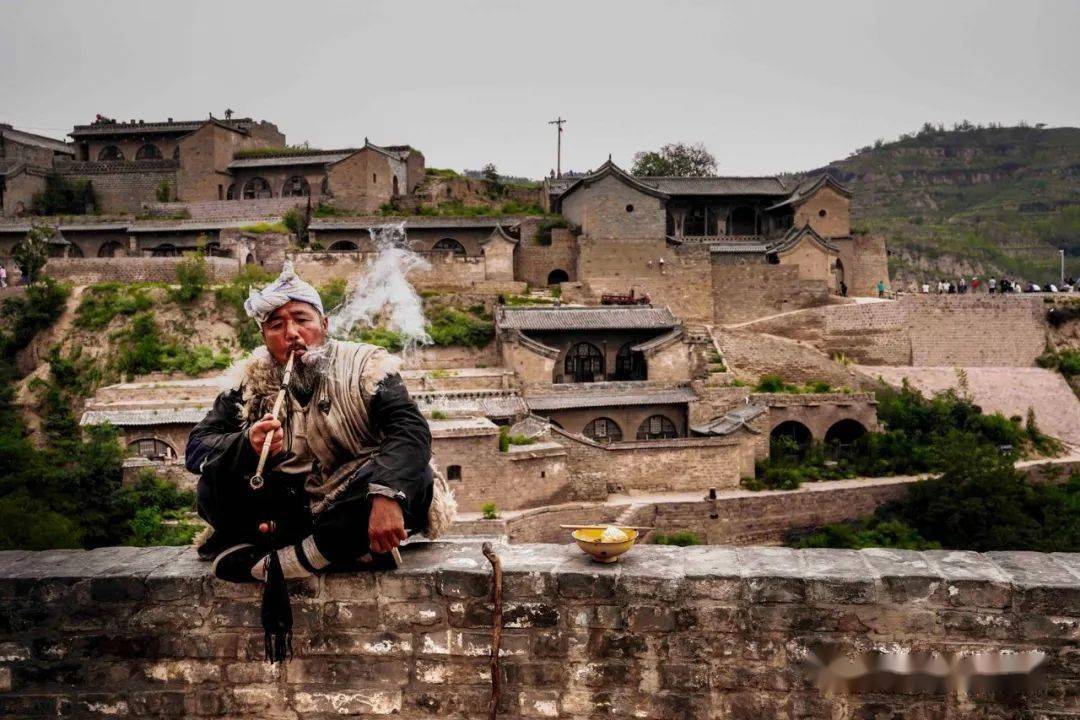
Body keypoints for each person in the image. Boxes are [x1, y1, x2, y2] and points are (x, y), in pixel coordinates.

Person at [187, 262, 452, 585]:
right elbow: (197, 448)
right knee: (212, 482)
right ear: (263, 335)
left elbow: (410, 431)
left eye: (302, 320)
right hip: (290, 509)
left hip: (352, 501)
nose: (291, 334)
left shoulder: (367, 367)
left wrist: (386, 493)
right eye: (276, 325)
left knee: (417, 477)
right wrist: (246, 445)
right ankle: (345, 550)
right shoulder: (249, 383)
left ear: (324, 325)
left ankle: (280, 563)